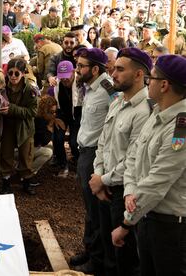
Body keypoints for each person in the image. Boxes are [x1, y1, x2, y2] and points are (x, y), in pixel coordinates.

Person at [112, 55, 186, 276]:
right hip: (146, 216)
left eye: (151, 78)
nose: (147, 82)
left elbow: (158, 179)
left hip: (170, 227)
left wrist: (126, 224)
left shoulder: (180, 128)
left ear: (164, 85)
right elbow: (134, 157)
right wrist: (130, 192)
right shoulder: (157, 113)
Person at [90, 48, 153, 276]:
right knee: (109, 250)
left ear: (138, 75)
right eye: (113, 68)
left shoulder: (145, 110)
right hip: (105, 186)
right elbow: (103, 142)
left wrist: (102, 179)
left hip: (123, 192)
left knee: (125, 258)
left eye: (119, 69)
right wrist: (98, 176)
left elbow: (134, 160)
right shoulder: (117, 101)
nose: (112, 74)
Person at [72, 47, 111, 274]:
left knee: (97, 211)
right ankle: (89, 249)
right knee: (89, 207)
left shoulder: (108, 90)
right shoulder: (91, 87)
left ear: (95, 69)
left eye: (81, 66)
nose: (77, 70)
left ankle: (97, 261)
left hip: (96, 155)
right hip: (85, 152)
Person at [0, 58, 38, 195]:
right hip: (7, 125)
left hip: (25, 126)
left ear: (23, 73)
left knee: (26, 155)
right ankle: (6, 182)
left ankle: (26, 182)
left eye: (17, 73)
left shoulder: (30, 89)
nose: (13, 77)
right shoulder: (2, 85)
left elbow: (33, 112)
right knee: (6, 154)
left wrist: (12, 109)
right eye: (10, 73)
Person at [51, 60, 82, 178]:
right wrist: (54, 118)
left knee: (75, 143)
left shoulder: (81, 83)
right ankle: (62, 164)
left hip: (77, 113)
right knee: (57, 138)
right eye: (62, 77)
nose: (64, 80)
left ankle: (78, 163)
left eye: (67, 77)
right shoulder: (56, 84)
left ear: (73, 72)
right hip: (62, 113)